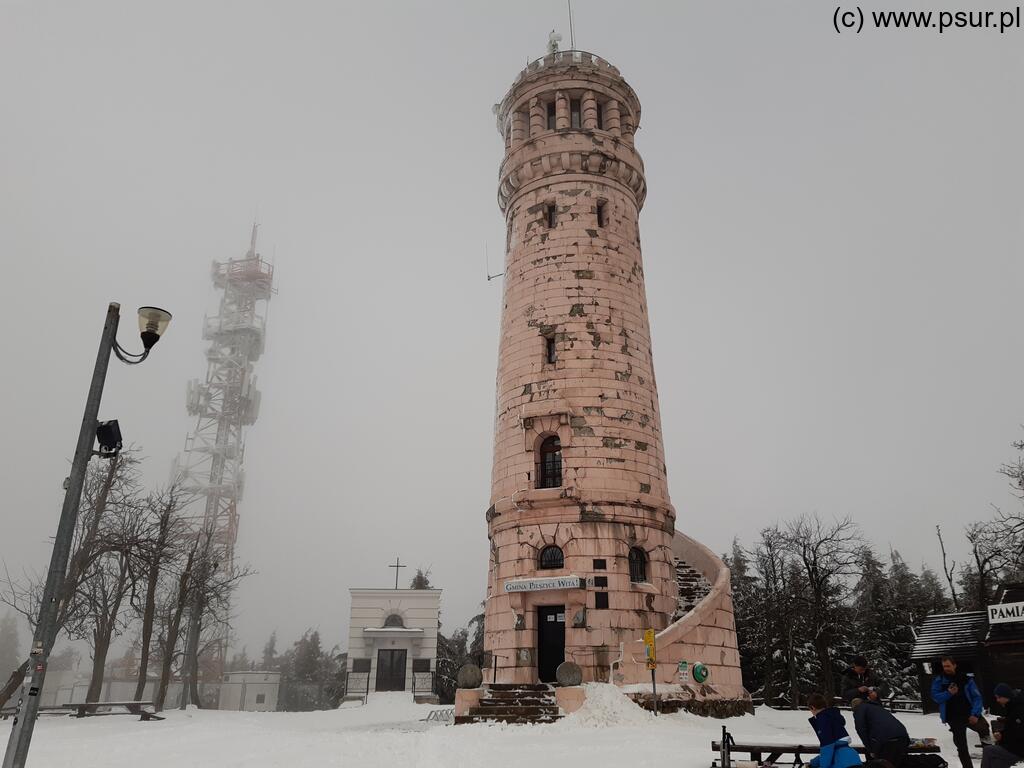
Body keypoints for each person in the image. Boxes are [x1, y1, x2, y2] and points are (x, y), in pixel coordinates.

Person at [931, 655, 990, 768]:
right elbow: (935, 696)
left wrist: (975, 714)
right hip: (953, 717)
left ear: (954, 665)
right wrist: (949, 693)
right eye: (944, 666)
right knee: (962, 747)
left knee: (984, 729)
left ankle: (989, 763)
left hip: (970, 713)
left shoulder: (966, 679)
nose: (946, 668)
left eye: (948, 666)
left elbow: (977, 697)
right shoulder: (939, 680)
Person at [808, 692, 863, 768]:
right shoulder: (833, 717)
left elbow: (827, 748)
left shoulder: (822, 720)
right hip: (853, 758)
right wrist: (813, 763)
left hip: (841, 763)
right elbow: (832, 751)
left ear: (812, 707)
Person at [852, 697, 911, 768]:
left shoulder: (860, 709)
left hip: (886, 740)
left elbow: (861, 729)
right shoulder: (877, 707)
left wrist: (870, 749)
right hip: (902, 736)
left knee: (883, 764)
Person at [981, 684, 1024, 768]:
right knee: (996, 763)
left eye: (999, 697)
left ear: (1006, 696)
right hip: (1013, 746)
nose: (997, 700)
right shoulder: (1012, 706)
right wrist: (1002, 734)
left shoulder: (1019, 709)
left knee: (988, 750)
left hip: (1018, 749)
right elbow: (1012, 728)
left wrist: (1002, 736)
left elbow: (1018, 733)